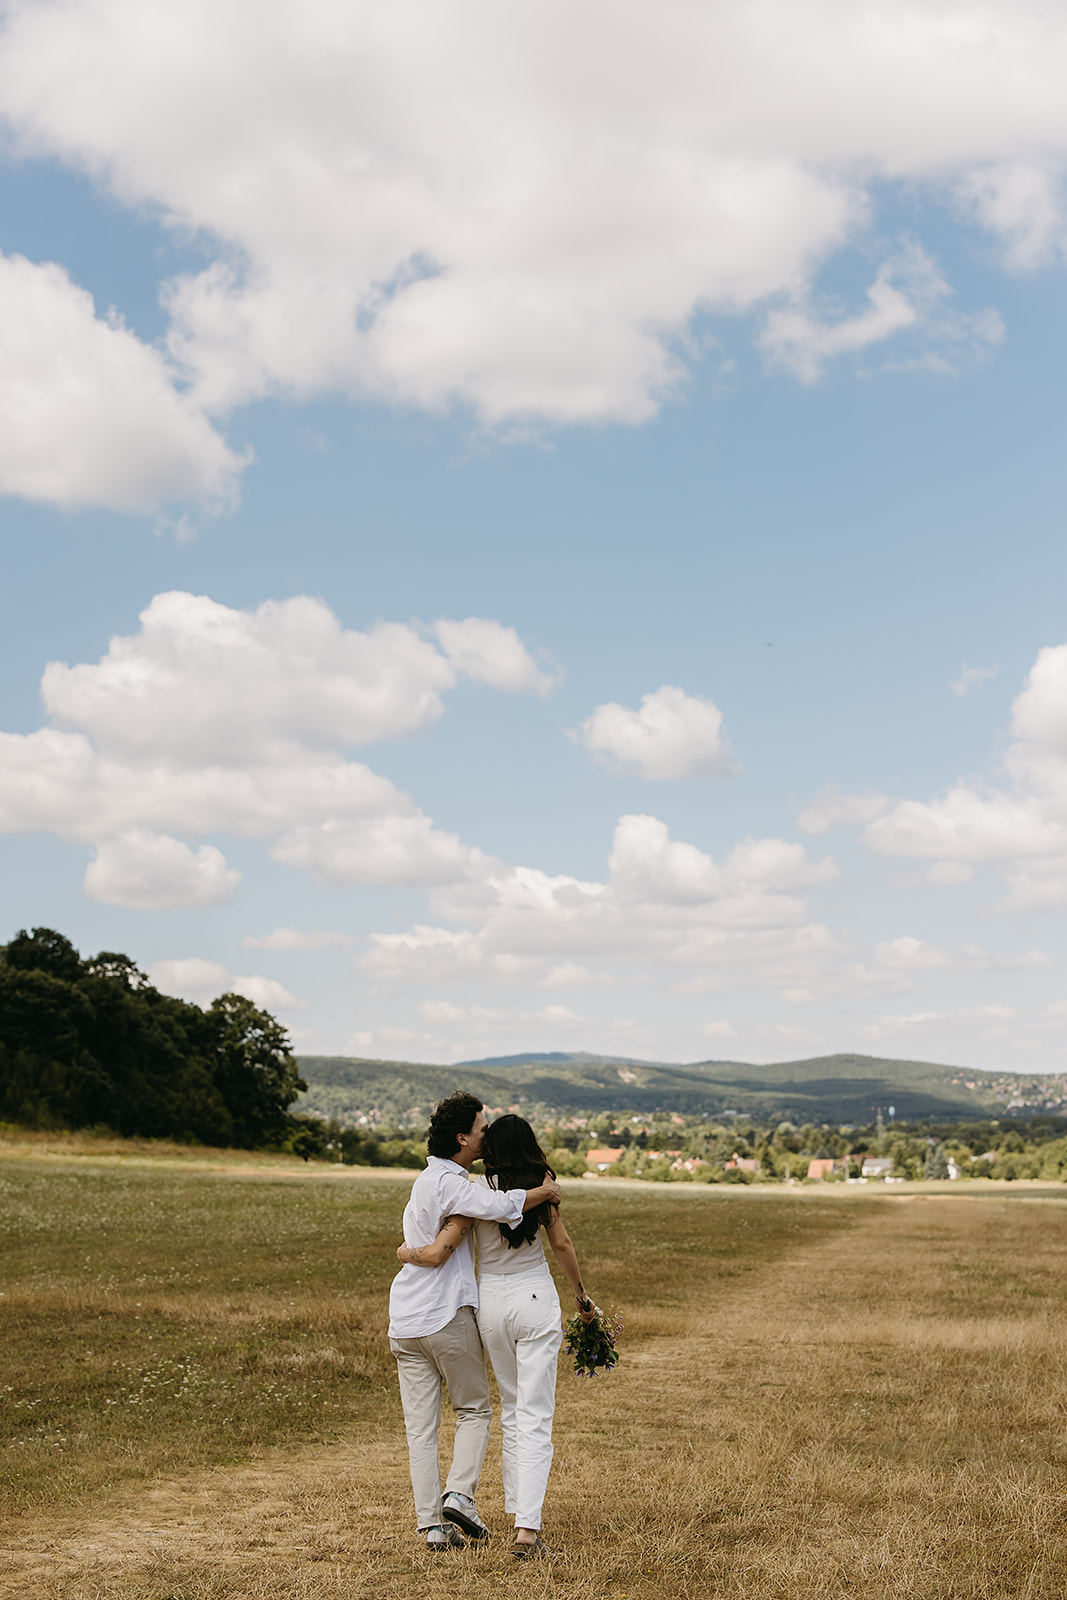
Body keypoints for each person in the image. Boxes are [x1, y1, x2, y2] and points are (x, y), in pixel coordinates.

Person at [397, 1113, 596, 1560]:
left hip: (491, 1307)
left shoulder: (476, 1192)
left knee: (510, 1411)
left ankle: (508, 1511)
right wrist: (582, 1298)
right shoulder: (537, 1188)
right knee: (536, 1414)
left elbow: (459, 1231)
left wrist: (407, 1251)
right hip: (534, 1299)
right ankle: (527, 1528)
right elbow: (561, 1246)